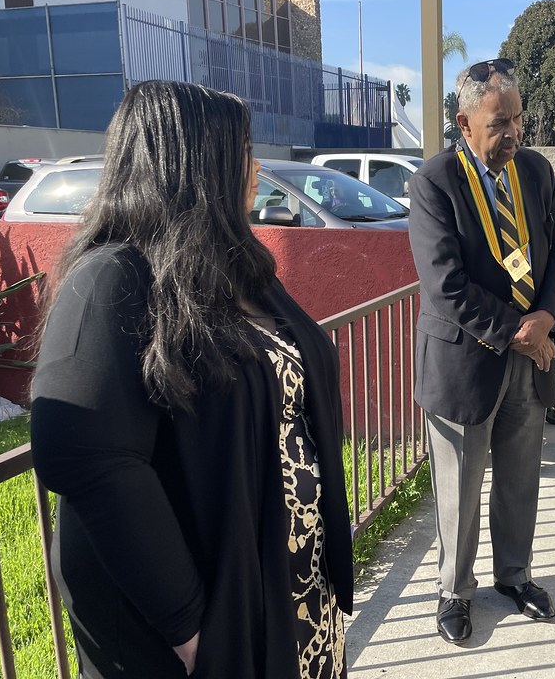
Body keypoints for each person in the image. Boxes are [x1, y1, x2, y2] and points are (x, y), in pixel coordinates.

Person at [30, 80, 353, 678]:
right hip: (206, 641)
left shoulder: (235, 274)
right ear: (193, 165)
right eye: (241, 151)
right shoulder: (113, 278)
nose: (254, 169)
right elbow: (84, 456)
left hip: (290, 605)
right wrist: (195, 632)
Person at [408, 58, 555, 644]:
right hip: (465, 361)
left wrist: (548, 320)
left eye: (519, 120)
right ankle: (454, 591)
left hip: (529, 360)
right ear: (465, 122)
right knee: (459, 485)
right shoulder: (433, 182)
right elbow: (445, 285)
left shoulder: (535, 170)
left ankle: (514, 576)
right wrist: (519, 331)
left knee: (519, 477)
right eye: (500, 122)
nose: (514, 134)